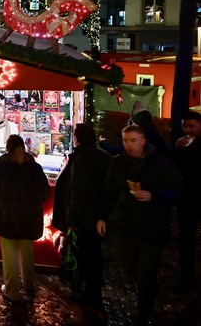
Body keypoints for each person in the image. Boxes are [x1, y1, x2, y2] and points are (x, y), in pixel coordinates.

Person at [96, 124, 182, 326]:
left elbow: (177, 190)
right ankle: (147, 289)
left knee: (146, 275)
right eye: (125, 141)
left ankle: (143, 315)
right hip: (128, 225)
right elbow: (109, 191)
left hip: (153, 227)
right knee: (130, 268)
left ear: (143, 141)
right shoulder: (119, 163)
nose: (129, 145)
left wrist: (154, 195)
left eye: (133, 140)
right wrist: (102, 216)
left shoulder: (160, 163)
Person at [0, 134, 51, 303]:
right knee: (27, 251)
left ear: (8, 149)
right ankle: (30, 285)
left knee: (10, 255)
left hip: (5, 217)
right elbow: (45, 193)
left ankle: (12, 290)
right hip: (29, 220)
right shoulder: (35, 168)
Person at [51, 123, 111, 311]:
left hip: (83, 217)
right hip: (96, 215)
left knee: (84, 254)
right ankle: (93, 290)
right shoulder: (104, 157)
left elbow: (77, 192)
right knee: (94, 254)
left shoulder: (81, 159)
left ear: (77, 139)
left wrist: (71, 219)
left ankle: (87, 291)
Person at [167, 110, 201, 292]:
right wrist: (176, 149)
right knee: (186, 238)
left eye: (192, 126)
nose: (188, 130)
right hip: (186, 198)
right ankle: (187, 277)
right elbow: (172, 165)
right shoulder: (179, 143)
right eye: (185, 126)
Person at [100, 100, 168, 156]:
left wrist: (103, 143)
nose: (131, 124)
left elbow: (118, 149)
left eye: (133, 122)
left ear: (138, 124)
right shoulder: (157, 137)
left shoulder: (137, 136)